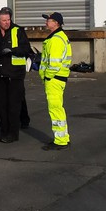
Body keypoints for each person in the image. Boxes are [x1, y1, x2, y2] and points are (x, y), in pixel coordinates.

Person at [0, 7, 31, 143]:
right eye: (4, 20)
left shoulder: (18, 31)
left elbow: (26, 49)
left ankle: (13, 134)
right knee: (1, 105)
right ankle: (3, 132)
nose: (6, 22)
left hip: (14, 74)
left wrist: (12, 50)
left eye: (8, 20)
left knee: (13, 105)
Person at [39, 11, 72, 150]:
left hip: (54, 79)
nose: (47, 22)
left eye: (49, 20)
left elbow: (54, 63)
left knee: (55, 110)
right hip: (58, 78)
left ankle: (60, 141)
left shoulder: (56, 39)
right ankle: (63, 137)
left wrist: (47, 76)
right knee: (58, 109)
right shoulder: (58, 37)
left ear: (56, 23)